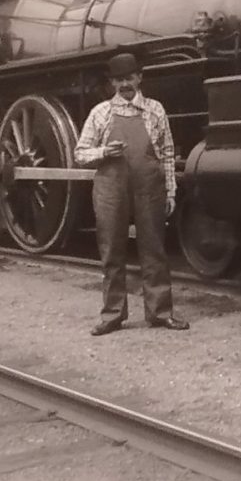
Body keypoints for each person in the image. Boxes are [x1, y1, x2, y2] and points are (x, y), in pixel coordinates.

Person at [75, 52, 190, 336]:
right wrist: (104, 151)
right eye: (118, 80)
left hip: (149, 189)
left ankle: (160, 312)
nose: (125, 84)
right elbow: (79, 154)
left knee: (154, 251)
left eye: (129, 77)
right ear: (112, 82)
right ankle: (113, 315)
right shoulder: (100, 113)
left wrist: (171, 191)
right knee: (112, 251)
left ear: (140, 77)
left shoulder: (155, 110)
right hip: (111, 190)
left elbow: (166, 154)